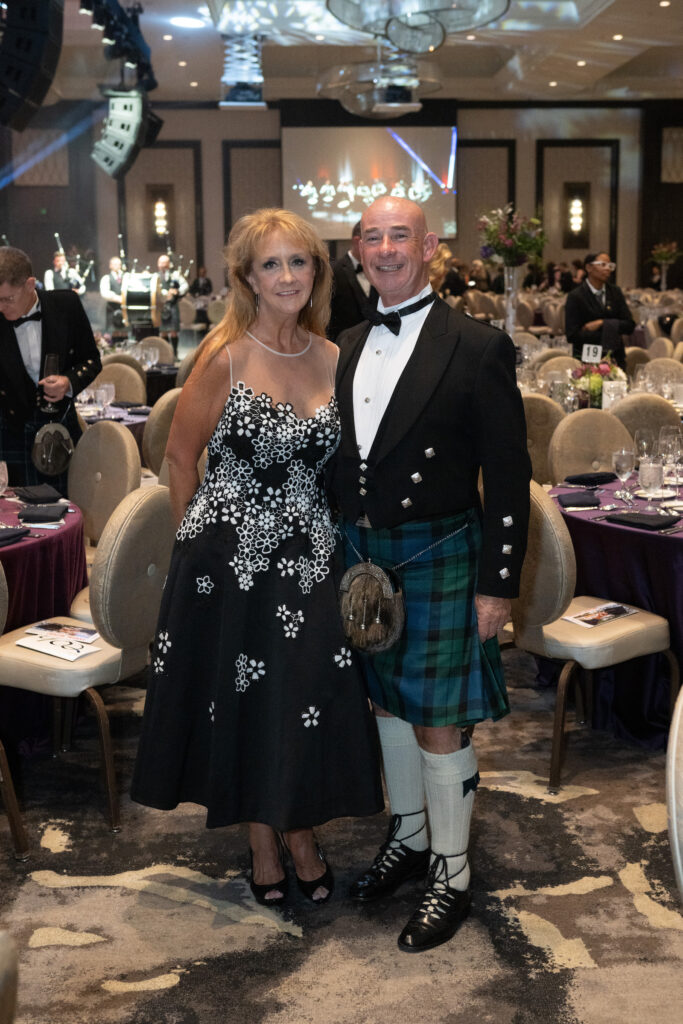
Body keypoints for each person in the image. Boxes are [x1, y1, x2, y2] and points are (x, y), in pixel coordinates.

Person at [131, 209, 383, 907]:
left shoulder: (334, 358)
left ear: (317, 272)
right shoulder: (225, 354)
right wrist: (192, 555)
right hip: (226, 558)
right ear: (245, 276)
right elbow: (180, 460)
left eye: (298, 262)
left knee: (300, 697)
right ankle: (264, 842)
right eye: (270, 264)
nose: (286, 277)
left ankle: (298, 829)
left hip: (307, 553)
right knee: (240, 704)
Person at [328, 196, 531, 953]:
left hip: (442, 553)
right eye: (372, 236)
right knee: (386, 706)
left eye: (399, 236)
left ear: (430, 246)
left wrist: (497, 583)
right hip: (365, 558)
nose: (386, 249)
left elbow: (509, 473)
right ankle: (409, 837)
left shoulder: (476, 346)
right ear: (356, 248)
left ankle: (453, 871)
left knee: (438, 721)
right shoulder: (344, 341)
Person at [0, 246, 101, 493]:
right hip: (9, 432)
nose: (0, 307)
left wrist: (69, 382)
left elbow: (91, 360)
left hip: (59, 432)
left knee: (66, 511)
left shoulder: (66, 305)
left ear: (30, 284)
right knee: (16, 522)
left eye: (7, 299)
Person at [565, 252, 635, 370]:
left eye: (610, 266)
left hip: (615, 359)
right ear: (589, 268)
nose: (607, 269)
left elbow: (629, 325)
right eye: (603, 264)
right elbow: (572, 335)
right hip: (587, 362)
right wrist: (612, 331)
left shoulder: (615, 292)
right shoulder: (576, 296)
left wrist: (602, 323)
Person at [327, 221, 377, 342]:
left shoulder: (382, 270)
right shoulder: (332, 271)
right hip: (342, 347)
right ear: (357, 241)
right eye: (373, 240)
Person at [156, 253, 188, 354]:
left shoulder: (175, 275)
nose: (163, 265)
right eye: (161, 263)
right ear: (158, 264)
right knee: (163, 332)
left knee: (173, 331)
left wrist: (177, 291)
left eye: (165, 263)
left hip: (173, 305)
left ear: (169, 264)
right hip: (161, 307)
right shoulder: (155, 277)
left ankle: (174, 352)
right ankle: (166, 353)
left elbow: (185, 286)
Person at [99, 256, 127, 338]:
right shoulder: (106, 278)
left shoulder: (126, 277)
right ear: (110, 265)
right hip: (112, 309)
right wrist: (118, 298)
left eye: (119, 264)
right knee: (112, 332)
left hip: (124, 309)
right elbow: (105, 293)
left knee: (125, 331)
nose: (117, 266)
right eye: (114, 264)